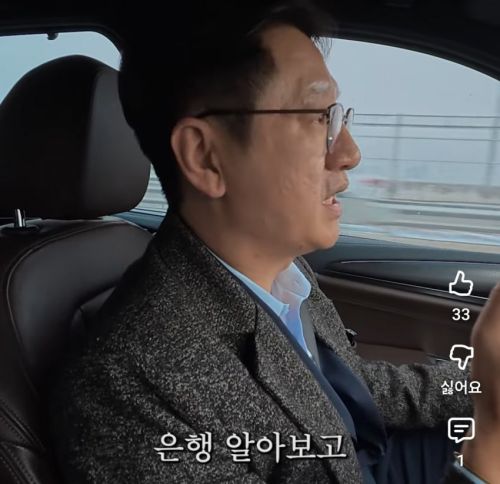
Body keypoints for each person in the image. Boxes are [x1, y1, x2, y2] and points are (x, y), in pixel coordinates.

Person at [49, 1, 495, 482]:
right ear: (205, 156)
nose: (349, 152)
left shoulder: (282, 272)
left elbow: (347, 389)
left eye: (337, 115)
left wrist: (481, 384)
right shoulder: (130, 387)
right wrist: (489, 439)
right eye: (318, 117)